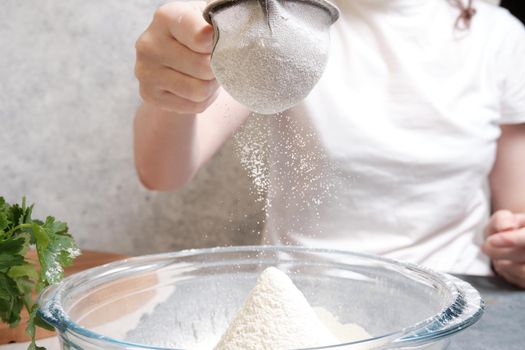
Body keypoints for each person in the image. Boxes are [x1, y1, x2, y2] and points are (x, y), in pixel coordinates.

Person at [133, 0, 525, 287]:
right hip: (307, 305)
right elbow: (162, 172)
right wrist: (177, 77)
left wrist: (514, 251)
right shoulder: (280, 21)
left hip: (457, 301)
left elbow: (515, 212)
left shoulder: (500, 37)